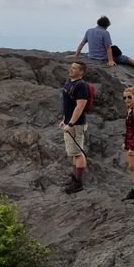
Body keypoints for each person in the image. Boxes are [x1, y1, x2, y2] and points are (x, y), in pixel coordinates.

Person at [69, 15, 134, 75]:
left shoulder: (89, 31)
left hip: (91, 56)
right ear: (106, 25)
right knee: (127, 59)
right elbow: (108, 48)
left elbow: (82, 43)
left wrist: (76, 55)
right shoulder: (105, 32)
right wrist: (110, 60)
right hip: (102, 57)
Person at [60, 61, 89, 194]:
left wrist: (71, 123)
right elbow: (69, 105)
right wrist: (64, 120)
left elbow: (80, 106)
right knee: (73, 152)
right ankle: (74, 177)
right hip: (69, 122)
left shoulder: (81, 86)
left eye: (75, 68)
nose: (71, 70)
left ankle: (78, 183)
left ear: (81, 72)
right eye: (71, 67)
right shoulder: (69, 82)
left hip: (76, 125)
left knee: (78, 153)